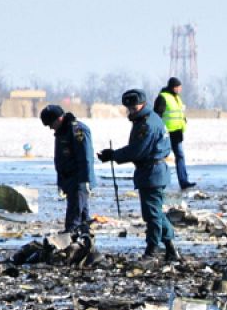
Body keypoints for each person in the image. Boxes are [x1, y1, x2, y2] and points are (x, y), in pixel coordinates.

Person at [96, 89, 177, 261]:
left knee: (152, 215)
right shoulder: (150, 119)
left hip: (151, 172)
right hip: (153, 171)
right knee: (156, 212)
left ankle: (152, 250)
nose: (131, 111)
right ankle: (170, 248)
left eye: (133, 108)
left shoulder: (146, 124)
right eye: (129, 108)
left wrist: (113, 155)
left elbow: (137, 150)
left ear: (142, 104)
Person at [40, 104, 94, 237]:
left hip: (78, 179)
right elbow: (61, 159)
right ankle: (83, 239)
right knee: (81, 214)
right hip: (69, 179)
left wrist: (85, 180)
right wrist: (61, 182)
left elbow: (85, 157)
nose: (50, 128)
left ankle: (70, 237)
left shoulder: (77, 130)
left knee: (75, 213)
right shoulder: (61, 132)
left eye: (50, 124)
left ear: (58, 119)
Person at [152, 77, 194, 190]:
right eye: (178, 87)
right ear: (173, 87)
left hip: (177, 132)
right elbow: (157, 115)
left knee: (180, 156)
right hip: (167, 133)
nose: (180, 89)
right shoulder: (163, 97)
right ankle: (158, 180)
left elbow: (179, 113)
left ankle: (184, 181)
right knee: (161, 157)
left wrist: (183, 121)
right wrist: (159, 130)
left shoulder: (177, 98)